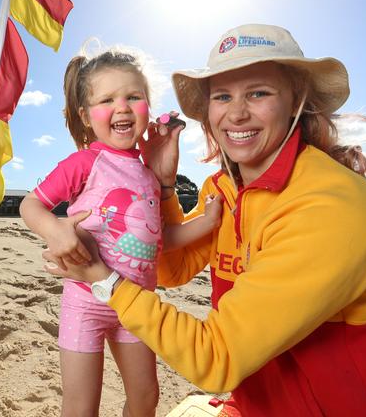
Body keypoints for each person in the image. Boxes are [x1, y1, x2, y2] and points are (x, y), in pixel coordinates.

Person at [43, 24, 366, 416]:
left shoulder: (331, 205)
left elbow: (217, 357)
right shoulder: (225, 188)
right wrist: (164, 188)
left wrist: (104, 281)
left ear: (296, 99)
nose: (236, 112)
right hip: (251, 404)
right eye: (222, 96)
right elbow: (171, 270)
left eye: (258, 92)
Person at [20, 46, 223, 417]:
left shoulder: (150, 174)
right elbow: (30, 206)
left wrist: (206, 223)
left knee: (146, 397)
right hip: (85, 303)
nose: (123, 107)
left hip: (135, 305)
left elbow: (156, 241)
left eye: (134, 96)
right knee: (82, 406)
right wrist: (56, 231)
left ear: (148, 105)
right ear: (85, 115)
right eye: (107, 99)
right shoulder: (85, 162)